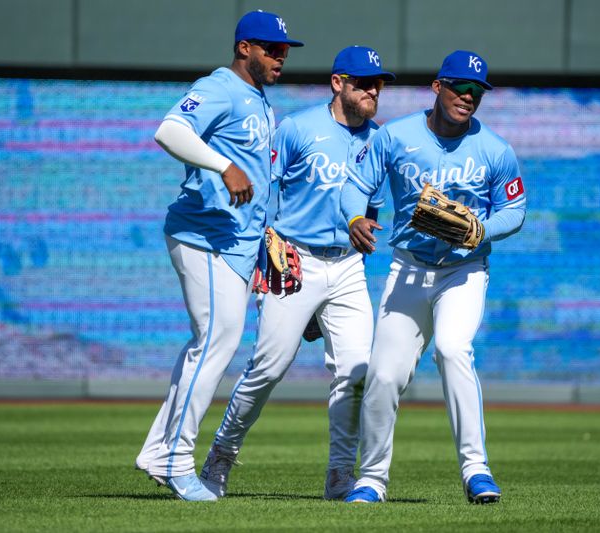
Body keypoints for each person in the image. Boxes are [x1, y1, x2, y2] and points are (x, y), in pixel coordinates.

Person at [198, 46, 395, 500]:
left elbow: (369, 211)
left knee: (356, 370)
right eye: (363, 82)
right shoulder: (298, 128)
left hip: (347, 266)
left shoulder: (378, 140)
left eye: (378, 83)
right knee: (268, 368)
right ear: (338, 83)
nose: (373, 90)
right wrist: (266, 250)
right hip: (294, 259)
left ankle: (341, 475)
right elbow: (264, 190)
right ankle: (219, 458)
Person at [339, 50, 527, 504]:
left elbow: (514, 209)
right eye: (460, 87)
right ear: (437, 86)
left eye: (477, 91)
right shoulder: (396, 136)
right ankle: (371, 480)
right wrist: (353, 219)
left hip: (463, 270)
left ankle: (476, 470)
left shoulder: (495, 149)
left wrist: (483, 228)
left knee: (452, 348)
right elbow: (355, 185)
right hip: (409, 267)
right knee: (384, 374)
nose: (468, 97)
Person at [134, 10, 303, 502]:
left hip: (235, 243)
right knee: (215, 341)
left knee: (214, 343)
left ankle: (158, 450)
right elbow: (170, 131)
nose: (281, 56)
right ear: (244, 47)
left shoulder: (258, 101)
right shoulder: (221, 87)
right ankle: (173, 458)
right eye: (271, 48)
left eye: (285, 49)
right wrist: (223, 163)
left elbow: (257, 178)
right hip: (203, 235)